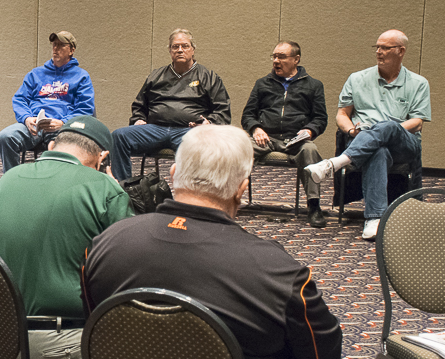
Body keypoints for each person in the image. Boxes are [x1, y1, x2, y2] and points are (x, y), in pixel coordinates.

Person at [84, 125, 342, 358]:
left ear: (173, 174)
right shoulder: (280, 273)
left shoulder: (103, 245)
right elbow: (324, 351)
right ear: (241, 189)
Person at [0, 115, 131, 359]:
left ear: (51, 146)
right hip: (60, 342)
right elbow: (126, 270)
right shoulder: (105, 188)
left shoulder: (6, 179)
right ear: (102, 157)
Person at [305, 29, 431, 241]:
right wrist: (353, 130)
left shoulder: (418, 83)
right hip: (363, 141)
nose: (379, 52)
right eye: (377, 47)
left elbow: (417, 123)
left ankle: (335, 163)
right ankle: (374, 218)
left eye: (385, 48)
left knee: (388, 126)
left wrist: (388, 127)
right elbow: (342, 115)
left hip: (404, 144)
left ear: (401, 51)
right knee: (378, 150)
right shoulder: (357, 78)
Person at [110, 28, 231, 180]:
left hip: (188, 131)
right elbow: (140, 104)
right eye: (175, 47)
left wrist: (209, 122)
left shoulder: (208, 76)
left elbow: (222, 108)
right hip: (155, 129)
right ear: (170, 51)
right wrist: (138, 119)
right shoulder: (156, 76)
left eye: (185, 46)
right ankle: (121, 188)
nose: (180, 50)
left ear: (193, 50)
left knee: (198, 144)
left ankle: (191, 196)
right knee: (119, 136)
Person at [241, 41, 328, 227]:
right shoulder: (262, 83)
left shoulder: (313, 85)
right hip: (267, 138)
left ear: (296, 59)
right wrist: (256, 128)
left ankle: (314, 206)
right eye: (274, 56)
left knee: (310, 151)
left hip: (297, 140)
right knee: (237, 148)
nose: (276, 61)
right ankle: (227, 198)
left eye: (281, 57)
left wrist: (310, 130)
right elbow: (248, 115)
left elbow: (321, 118)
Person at [0, 31, 96, 173]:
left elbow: (85, 109)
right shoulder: (36, 74)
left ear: (72, 50)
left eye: (61, 45)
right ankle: (12, 181)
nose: (55, 49)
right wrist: (27, 118)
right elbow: (19, 99)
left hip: (61, 128)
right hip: (35, 125)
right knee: (5, 137)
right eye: (54, 45)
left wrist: (64, 122)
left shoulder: (81, 77)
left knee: (60, 150)